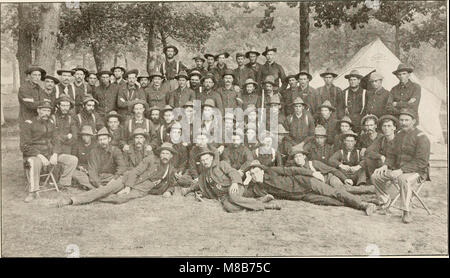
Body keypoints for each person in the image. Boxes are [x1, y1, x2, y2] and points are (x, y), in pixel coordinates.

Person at [57, 142, 177, 207]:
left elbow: (172, 183)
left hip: (141, 189)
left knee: (119, 200)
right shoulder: (150, 159)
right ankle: (73, 200)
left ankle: (92, 196)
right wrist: (128, 187)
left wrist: (169, 191)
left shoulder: (170, 169)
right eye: (163, 153)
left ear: (171, 156)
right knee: (107, 190)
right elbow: (135, 172)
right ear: (160, 154)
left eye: (167, 154)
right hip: (127, 179)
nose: (165, 156)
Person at [244, 160, 376, 214]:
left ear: (262, 170)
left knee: (334, 193)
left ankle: (364, 205)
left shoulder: (272, 171)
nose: (254, 175)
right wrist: (246, 181)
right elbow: (245, 194)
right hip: (302, 196)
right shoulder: (258, 189)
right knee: (332, 202)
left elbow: (293, 170)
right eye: (251, 173)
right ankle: (372, 201)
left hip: (306, 182)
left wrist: (312, 173)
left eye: (255, 171)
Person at [371, 108, 430, 223]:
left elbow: (421, 162)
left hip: (419, 172)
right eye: (401, 120)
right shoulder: (399, 135)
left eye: (406, 120)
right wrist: (386, 165)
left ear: (414, 121)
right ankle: (385, 202)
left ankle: (407, 211)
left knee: (404, 179)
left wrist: (401, 170)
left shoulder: (421, 137)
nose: (403, 123)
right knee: (376, 176)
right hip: (399, 170)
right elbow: (392, 154)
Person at [181, 148, 281, 212]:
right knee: (229, 208)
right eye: (202, 160)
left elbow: (233, 172)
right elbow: (199, 184)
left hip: (234, 187)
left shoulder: (221, 164)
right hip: (223, 195)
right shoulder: (204, 174)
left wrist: (234, 183)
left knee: (234, 198)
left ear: (211, 158)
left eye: (207, 159)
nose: (205, 162)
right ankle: (261, 201)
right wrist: (189, 190)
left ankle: (269, 206)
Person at [21, 101, 78, 202]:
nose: (46, 113)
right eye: (44, 110)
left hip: (49, 154)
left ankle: (63, 184)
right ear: (38, 110)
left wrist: (55, 154)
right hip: (33, 155)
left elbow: (56, 141)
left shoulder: (51, 123)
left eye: (48, 111)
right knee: (34, 162)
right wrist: (39, 156)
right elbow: (24, 146)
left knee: (72, 160)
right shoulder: (28, 124)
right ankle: (33, 192)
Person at [288, 144, 370, 194]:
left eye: (299, 156)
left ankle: (370, 190)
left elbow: (332, 170)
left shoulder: (313, 163)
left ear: (304, 156)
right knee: (338, 194)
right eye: (295, 157)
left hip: (330, 179)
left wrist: (345, 179)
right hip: (323, 186)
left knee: (344, 190)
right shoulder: (296, 169)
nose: (298, 159)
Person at [71, 125, 97, 189]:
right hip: (80, 168)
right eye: (83, 135)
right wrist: (79, 167)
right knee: (75, 173)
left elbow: (97, 161)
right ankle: (90, 187)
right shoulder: (77, 145)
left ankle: (89, 184)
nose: (85, 137)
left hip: (91, 168)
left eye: (87, 135)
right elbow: (73, 159)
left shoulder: (95, 146)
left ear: (91, 136)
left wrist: (89, 169)